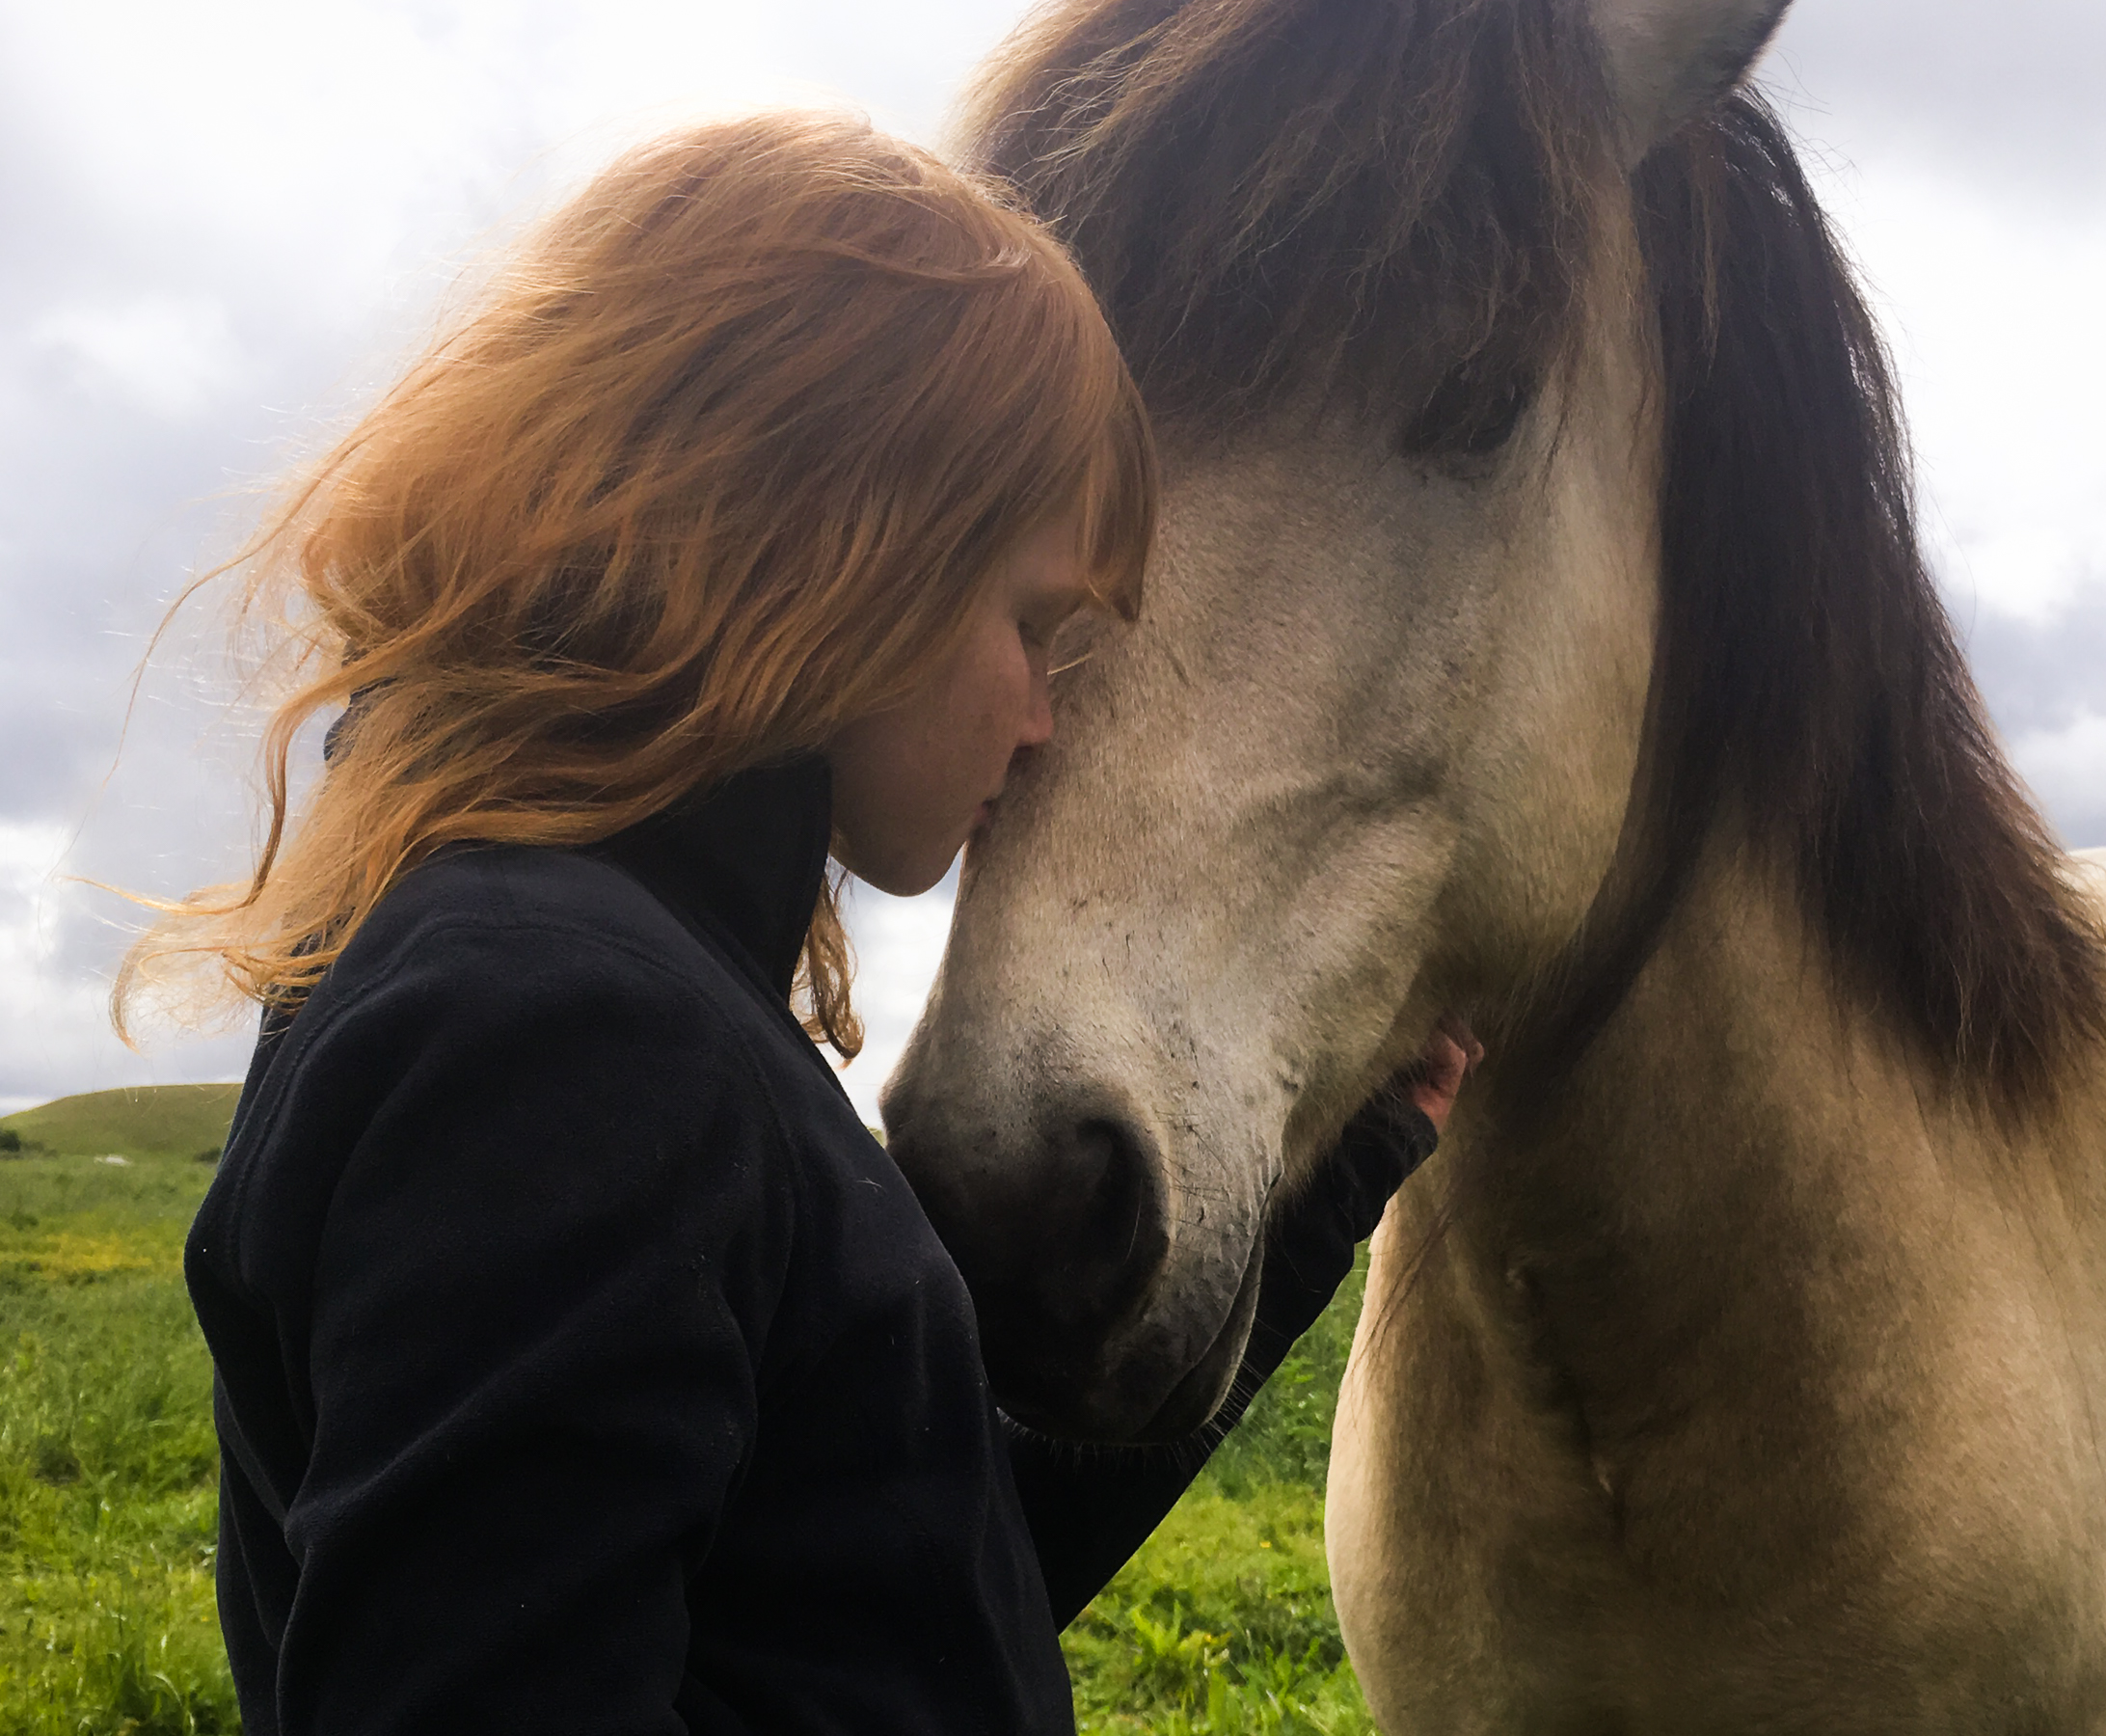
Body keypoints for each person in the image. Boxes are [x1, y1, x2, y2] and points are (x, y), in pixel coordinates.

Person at [123, 113, 1478, 1735]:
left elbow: (895, 1593)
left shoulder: (592, 980)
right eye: (1033, 627)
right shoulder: (560, 1043)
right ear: (835, 551)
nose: (1046, 722)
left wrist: (1324, 1188)